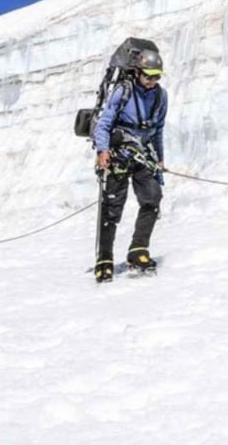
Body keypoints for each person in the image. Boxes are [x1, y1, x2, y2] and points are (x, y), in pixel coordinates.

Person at [91, 49, 168, 281]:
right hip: (118, 155)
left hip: (143, 155)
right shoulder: (123, 91)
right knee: (112, 208)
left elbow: (158, 130)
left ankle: (138, 250)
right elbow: (104, 124)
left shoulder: (160, 96)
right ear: (137, 72)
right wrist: (103, 151)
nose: (152, 81)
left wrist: (160, 158)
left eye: (156, 77)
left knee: (152, 198)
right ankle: (104, 259)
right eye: (148, 76)